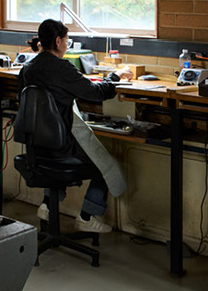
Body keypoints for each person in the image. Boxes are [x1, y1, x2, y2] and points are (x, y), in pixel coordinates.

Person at [19, 19, 134, 233]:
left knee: (60, 157)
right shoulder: (61, 68)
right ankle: (87, 216)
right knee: (104, 165)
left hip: (39, 147)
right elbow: (96, 93)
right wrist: (116, 76)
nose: (67, 44)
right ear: (58, 41)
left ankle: (47, 204)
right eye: (67, 40)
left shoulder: (28, 67)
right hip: (62, 146)